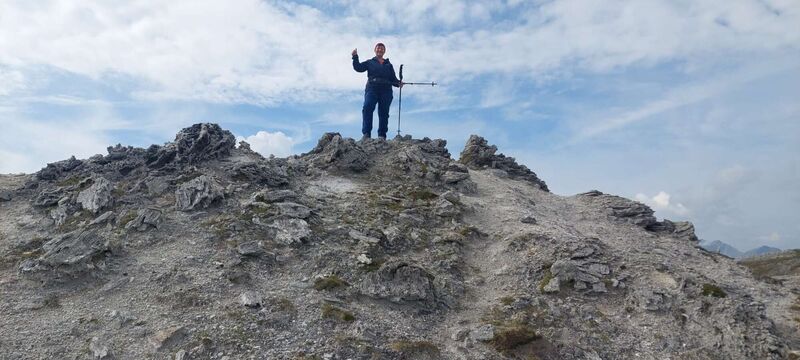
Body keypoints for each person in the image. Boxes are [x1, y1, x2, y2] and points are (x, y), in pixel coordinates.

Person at [352, 43, 403, 140]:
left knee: (384, 112)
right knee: (367, 107)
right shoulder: (370, 62)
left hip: (386, 90)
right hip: (372, 88)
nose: (380, 50)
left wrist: (398, 83)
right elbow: (358, 68)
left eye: (382, 48)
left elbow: (393, 79)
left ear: (384, 51)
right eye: (378, 48)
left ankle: (382, 135)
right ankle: (366, 134)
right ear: (375, 50)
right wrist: (355, 57)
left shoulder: (389, 65)